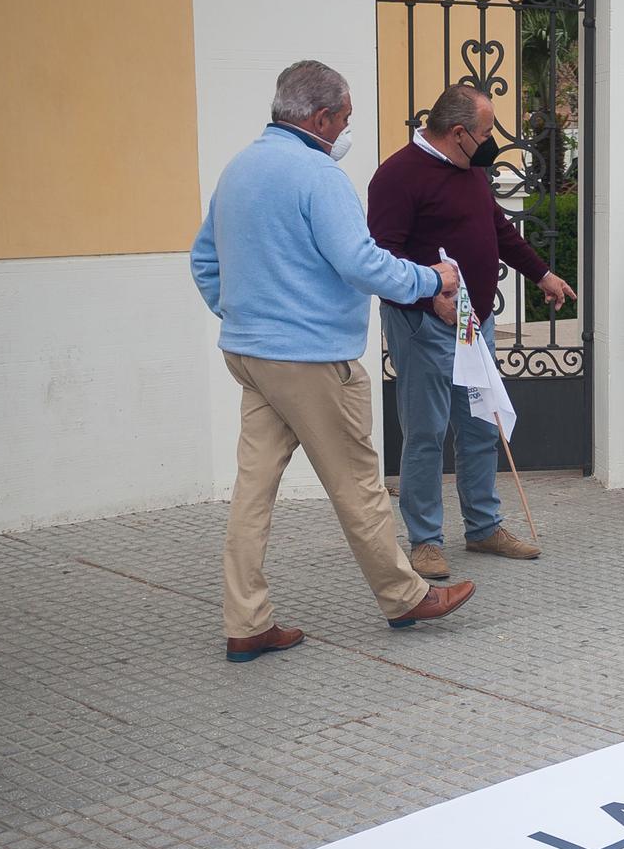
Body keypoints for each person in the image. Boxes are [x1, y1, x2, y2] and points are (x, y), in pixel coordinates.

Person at [190, 59, 474, 661]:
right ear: (320, 117)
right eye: (345, 117)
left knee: (253, 490)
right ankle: (404, 596)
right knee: (359, 484)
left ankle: (246, 621)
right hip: (314, 358)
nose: (347, 129)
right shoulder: (318, 176)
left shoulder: (238, 169)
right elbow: (362, 264)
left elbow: (203, 260)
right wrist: (432, 276)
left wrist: (241, 314)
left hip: (251, 354)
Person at [370, 84, 573, 573]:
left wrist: (541, 273)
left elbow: (498, 228)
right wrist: (428, 298)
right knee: (426, 432)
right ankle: (425, 539)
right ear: (457, 133)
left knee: (482, 423)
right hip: (423, 323)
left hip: (473, 324)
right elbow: (380, 261)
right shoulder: (396, 177)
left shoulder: (472, 169)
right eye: (484, 132)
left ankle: (483, 528)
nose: (490, 141)